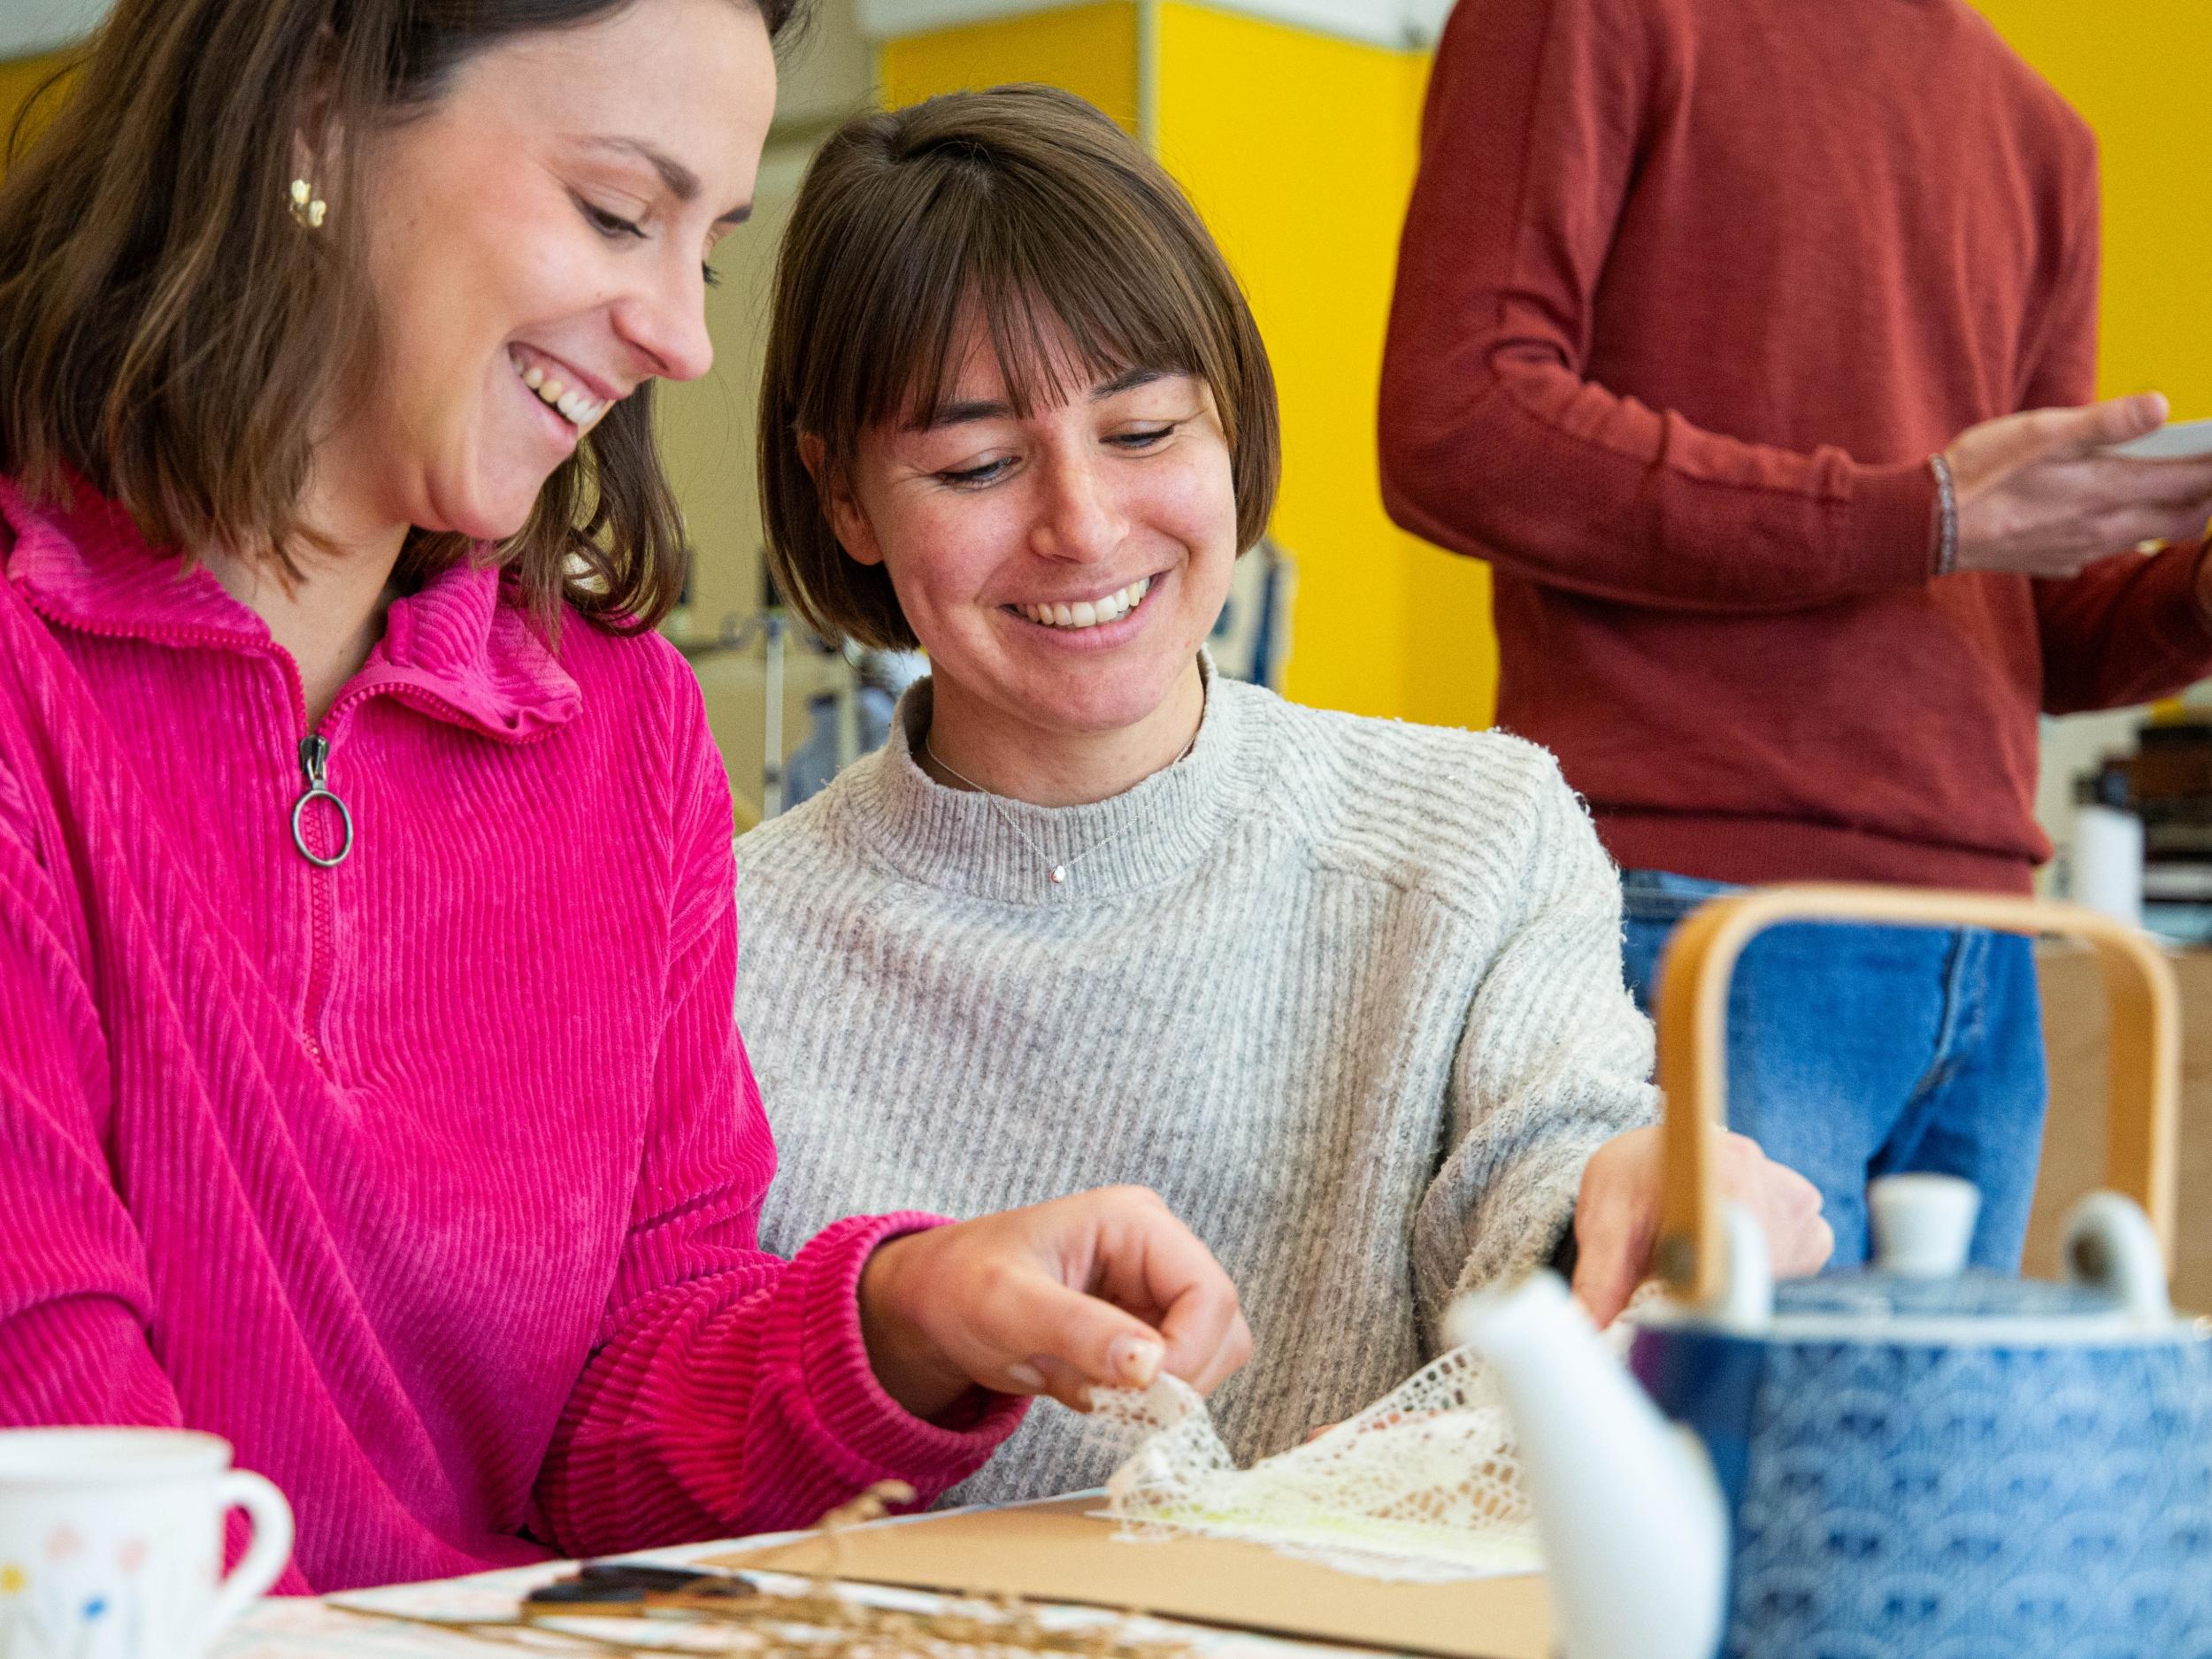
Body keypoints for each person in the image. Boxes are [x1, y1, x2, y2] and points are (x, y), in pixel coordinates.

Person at [0, 0, 1252, 1594]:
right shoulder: (30, 676)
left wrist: (910, 1316)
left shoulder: (623, 727)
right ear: (314, 112)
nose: (682, 335)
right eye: (616, 213)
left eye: (707, 248)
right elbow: (46, 1452)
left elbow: (612, 1428)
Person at [733, 84, 1832, 1506]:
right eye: (979, 465)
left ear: (1232, 427)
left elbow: (1546, 1149)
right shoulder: (726, 939)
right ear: (843, 499)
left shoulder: (1473, 836)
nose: (1082, 526)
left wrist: (1631, 1199)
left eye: (1143, 434)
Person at [1378, 0, 2212, 1271]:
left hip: (1990, 955)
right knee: (1709, 1462)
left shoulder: (2044, 133)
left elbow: (2033, 620)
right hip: (1710, 918)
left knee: (1917, 1470)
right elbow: (1459, 426)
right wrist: (1912, 512)